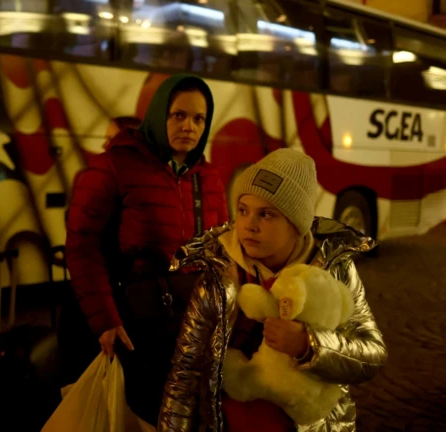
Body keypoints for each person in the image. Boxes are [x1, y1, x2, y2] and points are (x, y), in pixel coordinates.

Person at [158, 148, 388, 431]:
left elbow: (372, 353)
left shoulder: (333, 270)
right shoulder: (219, 276)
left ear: (296, 225)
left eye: (266, 214)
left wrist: (309, 345)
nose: (249, 225)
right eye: (243, 210)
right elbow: (185, 371)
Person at [61, 74, 229, 426]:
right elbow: (82, 243)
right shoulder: (115, 166)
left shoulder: (208, 177)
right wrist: (105, 319)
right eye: (178, 115)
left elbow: (220, 252)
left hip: (186, 327)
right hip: (132, 325)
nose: (189, 126)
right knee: (130, 413)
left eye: (199, 118)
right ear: (158, 114)